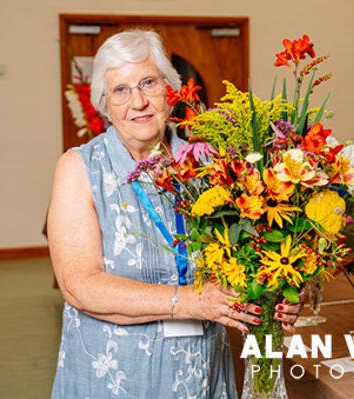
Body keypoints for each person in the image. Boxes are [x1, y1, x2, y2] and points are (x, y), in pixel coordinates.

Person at [48, 29, 303, 398]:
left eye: (148, 82)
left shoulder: (209, 165)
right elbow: (80, 285)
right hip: (115, 378)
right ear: (104, 103)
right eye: (120, 90)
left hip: (200, 374)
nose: (137, 101)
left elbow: (248, 259)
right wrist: (188, 301)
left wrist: (278, 297)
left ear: (170, 90)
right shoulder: (81, 167)